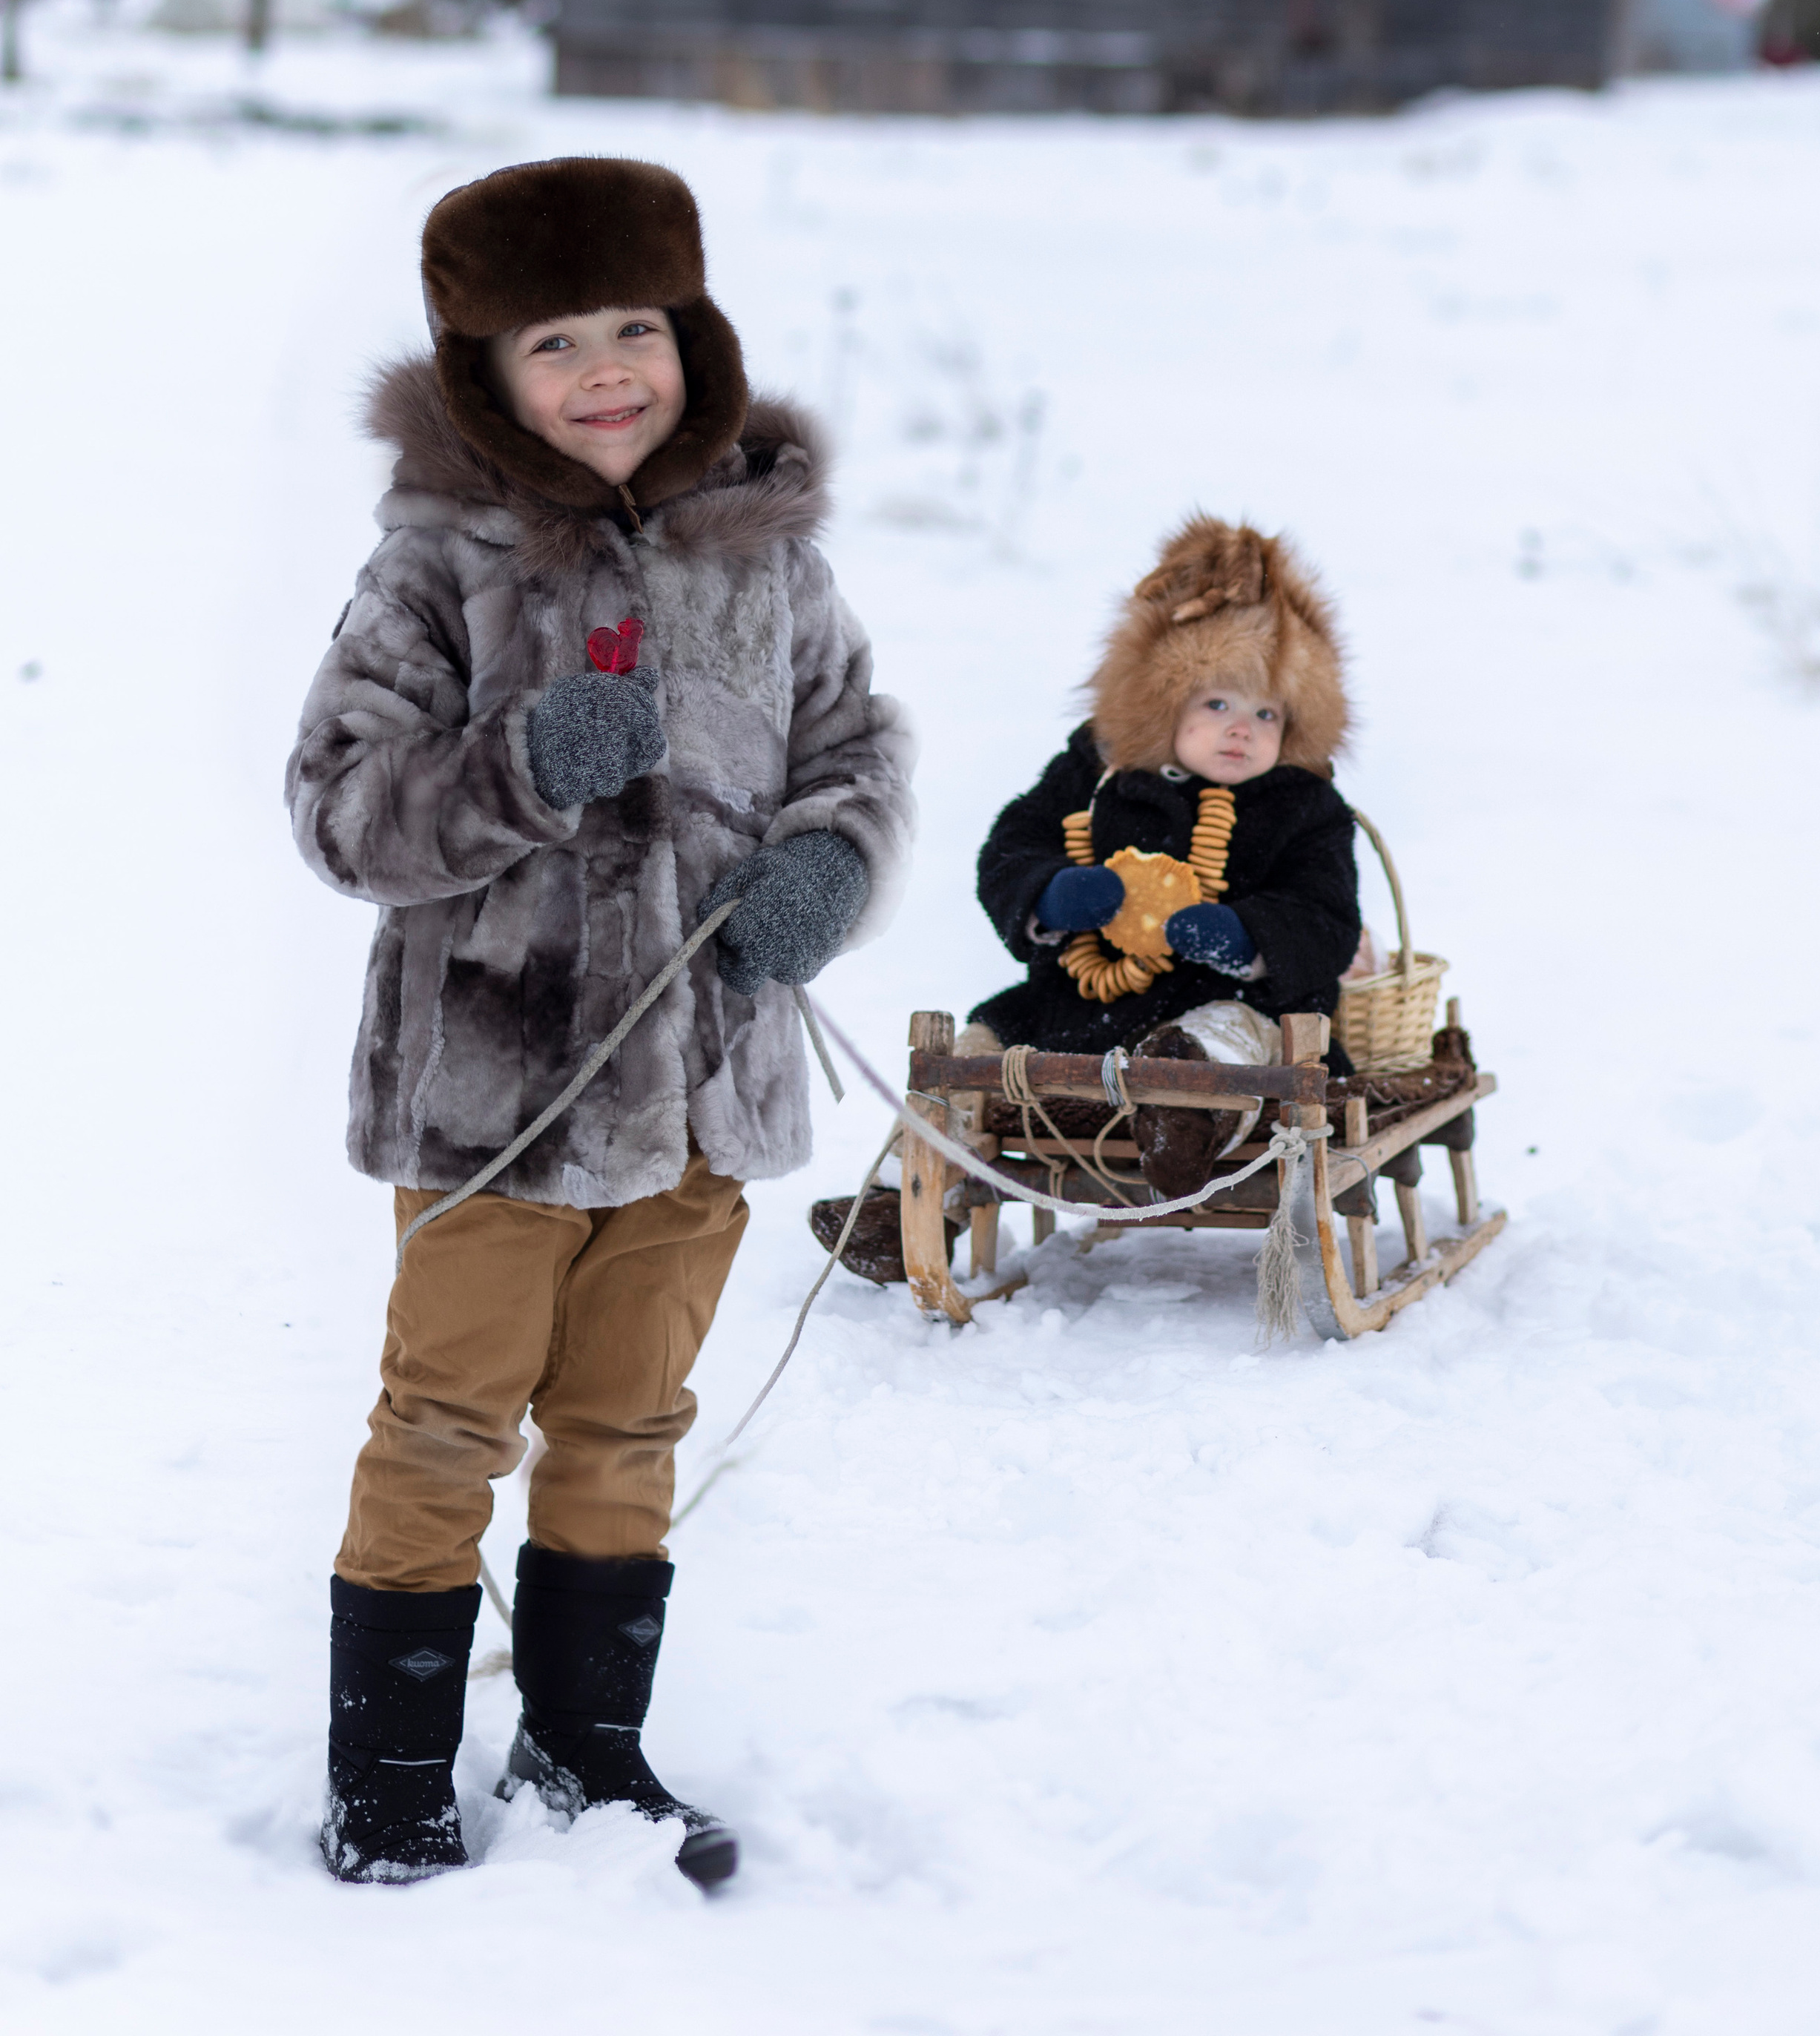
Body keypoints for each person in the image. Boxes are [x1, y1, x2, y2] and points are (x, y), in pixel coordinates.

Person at [287, 157, 914, 1888]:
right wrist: (518, 766)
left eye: (633, 326)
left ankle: (586, 1749)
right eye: (554, 341)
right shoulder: (435, 562)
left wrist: (826, 866)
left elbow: (855, 741)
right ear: (487, 372)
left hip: (705, 1081)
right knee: (444, 1423)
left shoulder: (762, 549)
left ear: (688, 334)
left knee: (629, 1420)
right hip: (502, 1089)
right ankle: (393, 1776)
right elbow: (341, 808)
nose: (605, 371)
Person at [966, 515, 1359, 1199]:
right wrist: (1051, 895)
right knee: (978, 1045)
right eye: (1217, 702)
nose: (1243, 727)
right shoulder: (1097, 776)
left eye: (1267, 714)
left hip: (1236, 1004)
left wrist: (1250, 938)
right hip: (1080, 1008)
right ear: (1163, 703)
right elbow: (1012, 846)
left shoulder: (1305, 805)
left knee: (1226, 1039)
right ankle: (906, 1186)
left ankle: (1185, 1122)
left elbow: (1327, 914)